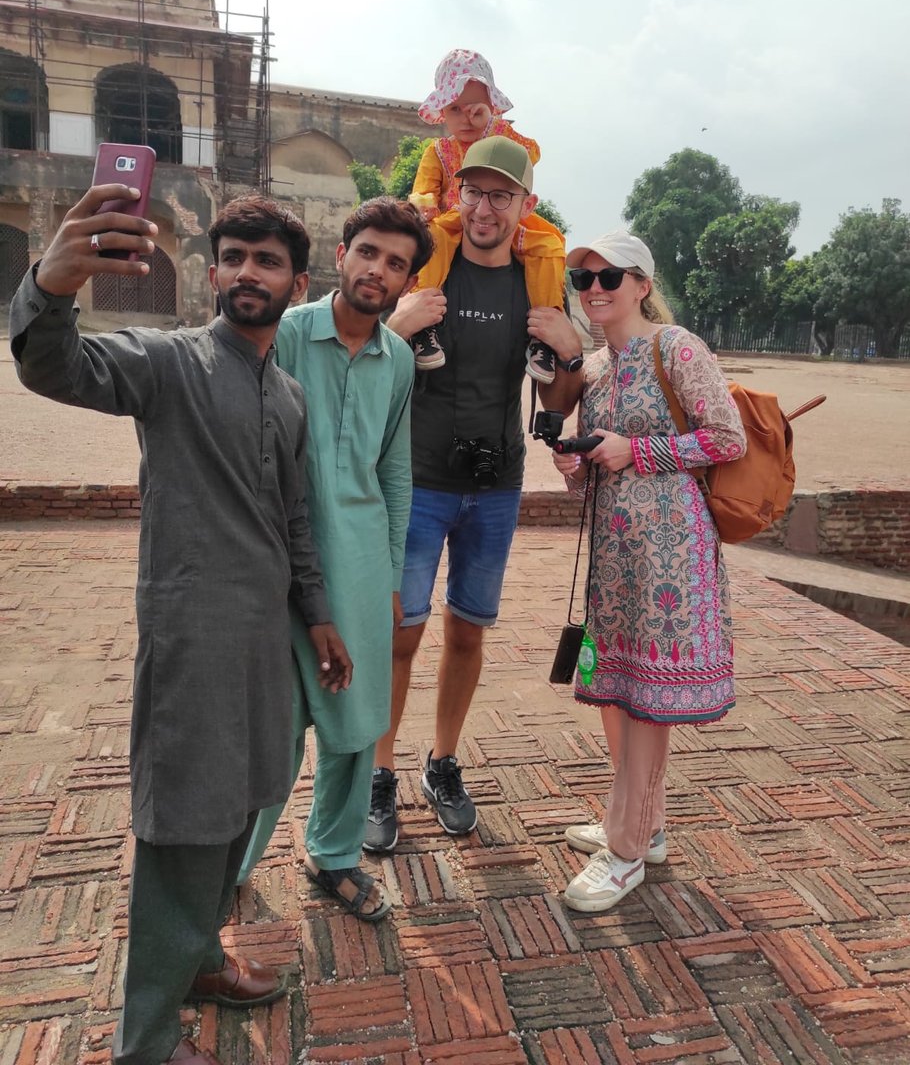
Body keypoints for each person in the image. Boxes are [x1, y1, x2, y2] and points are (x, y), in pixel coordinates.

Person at [9, 185, 351, 1065]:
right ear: (210, 274)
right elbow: (56, 368)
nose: (247, 272)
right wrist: (49, 286)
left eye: (266, 260)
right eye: (232, 257)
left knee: (245, 799)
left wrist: (316, 618)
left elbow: (295, 520)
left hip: (261, 644)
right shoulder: (168, 364)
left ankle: (198, 961)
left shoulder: (288, 397)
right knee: (185, 827)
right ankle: (146, 1046)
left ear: (297, 281)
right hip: (194, 636)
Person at [364, 135, 583, 851]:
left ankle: (443, 761)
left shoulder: (536, 284)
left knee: (467, 629)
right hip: (420, 480)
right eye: (474, 192)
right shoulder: (428, 270)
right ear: (456, 194)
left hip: (495, 488)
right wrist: (398, 327)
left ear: (525, 206)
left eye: (501, 195)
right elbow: (364, 368)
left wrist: (571, 352)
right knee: (401, 632)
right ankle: (380, 773)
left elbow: (556, 395)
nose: (485, 207)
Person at [236, 197, 433, 920]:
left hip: (359, 562)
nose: (378, 270)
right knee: (277, 728)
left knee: (357, 725)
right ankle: (231, 868)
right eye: (369, 252)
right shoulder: (286, 334)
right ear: (342, 254)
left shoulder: (399, 359)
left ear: (407, 282)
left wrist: (388, 575)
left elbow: (394, 473)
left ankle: (335, 853)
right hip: (282, 563)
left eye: (396, 263)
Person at [544, 231, 746, 913]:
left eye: (610, 276)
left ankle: (627, 848)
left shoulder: (675, 347)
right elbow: (599, 464)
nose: (594, 288)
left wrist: (638, 449)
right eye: (583, 277)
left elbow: (726, 438)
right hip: (615, 551)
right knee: (619, 687)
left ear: (641, 283)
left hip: (669, 549)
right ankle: (643, 823)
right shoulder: (597, 368)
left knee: (646, 696)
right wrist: (575, 464)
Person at [407, 49, 566, 383]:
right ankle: (425, 323)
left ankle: (544, 333)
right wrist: (424, 205)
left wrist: (494, 126)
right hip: (454, 220)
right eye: (455, 110)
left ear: (491, 109)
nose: (466, 119)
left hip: (509, 227)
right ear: (442, 113)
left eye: (475, 110)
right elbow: (423, 188)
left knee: (549, 245)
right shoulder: (438, 152)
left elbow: (532, 152)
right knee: (433, 237)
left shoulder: (501, 140)